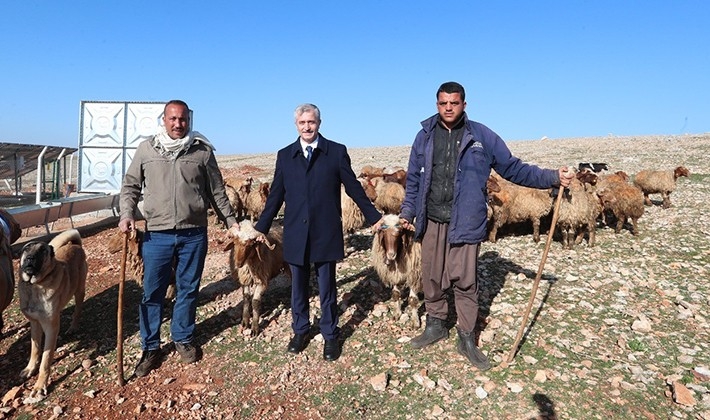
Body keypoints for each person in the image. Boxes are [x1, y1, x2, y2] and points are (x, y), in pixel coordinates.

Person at [399, 82, 574, 370]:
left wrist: (552, 176)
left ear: (464, 105)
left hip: (466, 219)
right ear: (436, 104)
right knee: (431, 275)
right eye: (443, 103)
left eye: (454, 103)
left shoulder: (481, 136)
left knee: (464, 279)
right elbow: (414, 181)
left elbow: (514, 168)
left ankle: (466, 336)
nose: (448, 108)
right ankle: (436, 324)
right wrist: (408, 212)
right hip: (431, 218)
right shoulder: (424, 136)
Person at [118, 99, 239, 377]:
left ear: (189, 120)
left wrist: (231, 222)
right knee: (153, 292)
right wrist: (127, 214)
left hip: (193, 233)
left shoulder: (202, 151)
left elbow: (217, 191)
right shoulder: (147, 149)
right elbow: (131, 186)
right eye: (172, 119)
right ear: (164, 120)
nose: (178, 124)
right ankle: (150, 347)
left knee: (188, 288)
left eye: (182, 119)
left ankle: (183, 338)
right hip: (157, 234)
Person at [255, 103, 382, 361]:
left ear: (319, 123)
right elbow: (276, 195)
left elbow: (354, 188)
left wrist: (374, 218)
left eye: (311, 122)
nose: (307, 127)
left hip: (325, 230)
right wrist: (262, 227)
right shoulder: (285, 155)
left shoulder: (335, 152)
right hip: (295, 231)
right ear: (296, 125)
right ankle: (300, 330)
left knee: (327, 286)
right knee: (298, 286)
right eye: (302, 123)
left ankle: (330, 334)